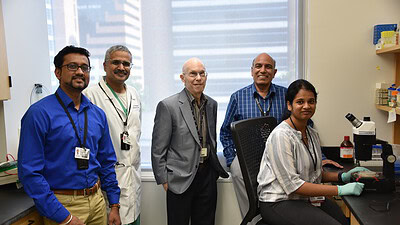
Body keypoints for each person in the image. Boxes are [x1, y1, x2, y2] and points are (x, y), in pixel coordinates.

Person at [220, 53, 342, 224]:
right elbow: (225, 131)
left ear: (275, 71)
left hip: (284, 153)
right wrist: (232, 158)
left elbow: (306, 127)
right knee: (240, 173)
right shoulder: (238, 97)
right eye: (258, 66)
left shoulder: (286, 94)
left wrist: (319, 159)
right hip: (251, 156)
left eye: (268, 67)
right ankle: (252, 219)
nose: (263, 70)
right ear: (252, 70)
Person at [18, 45, 121, 225]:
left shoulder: (97, 114)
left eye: (85, 67)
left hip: (97, 202)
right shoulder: (39, 114)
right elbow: (30, 173)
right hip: (62, 205)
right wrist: (63, 217)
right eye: (72, 66)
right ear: (58, 72)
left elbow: (106, 162)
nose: (80, 72)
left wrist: (114, 204)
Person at [257, 79, 368, 225]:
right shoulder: (281, 136)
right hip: (278, 202)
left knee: (345, 222)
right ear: (289, 105)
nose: (306, 106)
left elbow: (313, 174)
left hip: (302, 198)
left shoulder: (311, 133)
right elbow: (293, 186)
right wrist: (340, 190)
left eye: (311, 101)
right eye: (300, 102)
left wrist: (343, 176)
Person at [151, 57, 229, 225]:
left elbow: (211, 140)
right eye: (193, 74)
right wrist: (164, 180)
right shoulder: (168, 106)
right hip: (179, 178)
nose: (198, 78)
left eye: (202, 73)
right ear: (182, 77)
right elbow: (158, 148)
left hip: (207, 175)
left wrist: (213, 172)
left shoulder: (212, 104)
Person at [83, 45, 141, 225]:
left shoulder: (134, 94)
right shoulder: (90, 95)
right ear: (105, 65)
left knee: (134, 218)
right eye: (116, 62)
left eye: (126, 64)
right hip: (108, 181)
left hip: (133, 177)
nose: (121, 67)